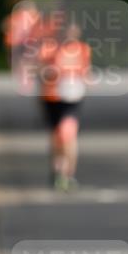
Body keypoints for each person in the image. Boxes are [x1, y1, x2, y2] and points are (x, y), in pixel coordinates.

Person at [38, 20, 92, 190]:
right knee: (56, 137)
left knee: (68, 133)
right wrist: (51, 71)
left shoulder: (83, 49)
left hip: (72, 97)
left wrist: (83, 79)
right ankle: (57, 171)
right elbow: (40, 73)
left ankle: (69, 174)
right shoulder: (48, 48)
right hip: (52, 97)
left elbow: (86, 72)